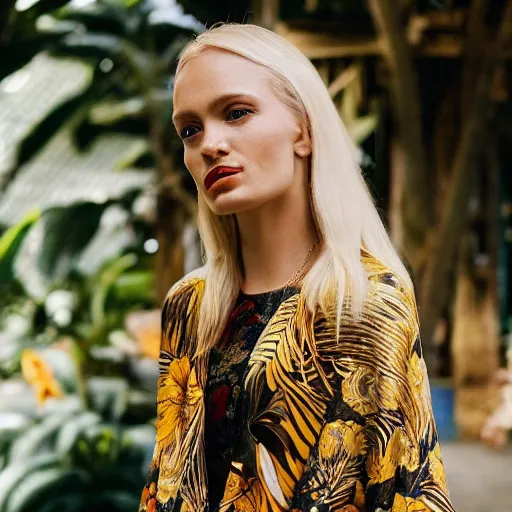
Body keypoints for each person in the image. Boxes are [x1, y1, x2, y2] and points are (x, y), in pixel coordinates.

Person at [139, 22, 455, 512]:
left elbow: (405, 489)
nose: (210, 145)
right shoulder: (189, 305)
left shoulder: (365, 301)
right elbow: (166, 479)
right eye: (190, 129)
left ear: (303, 131)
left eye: (237, 113)